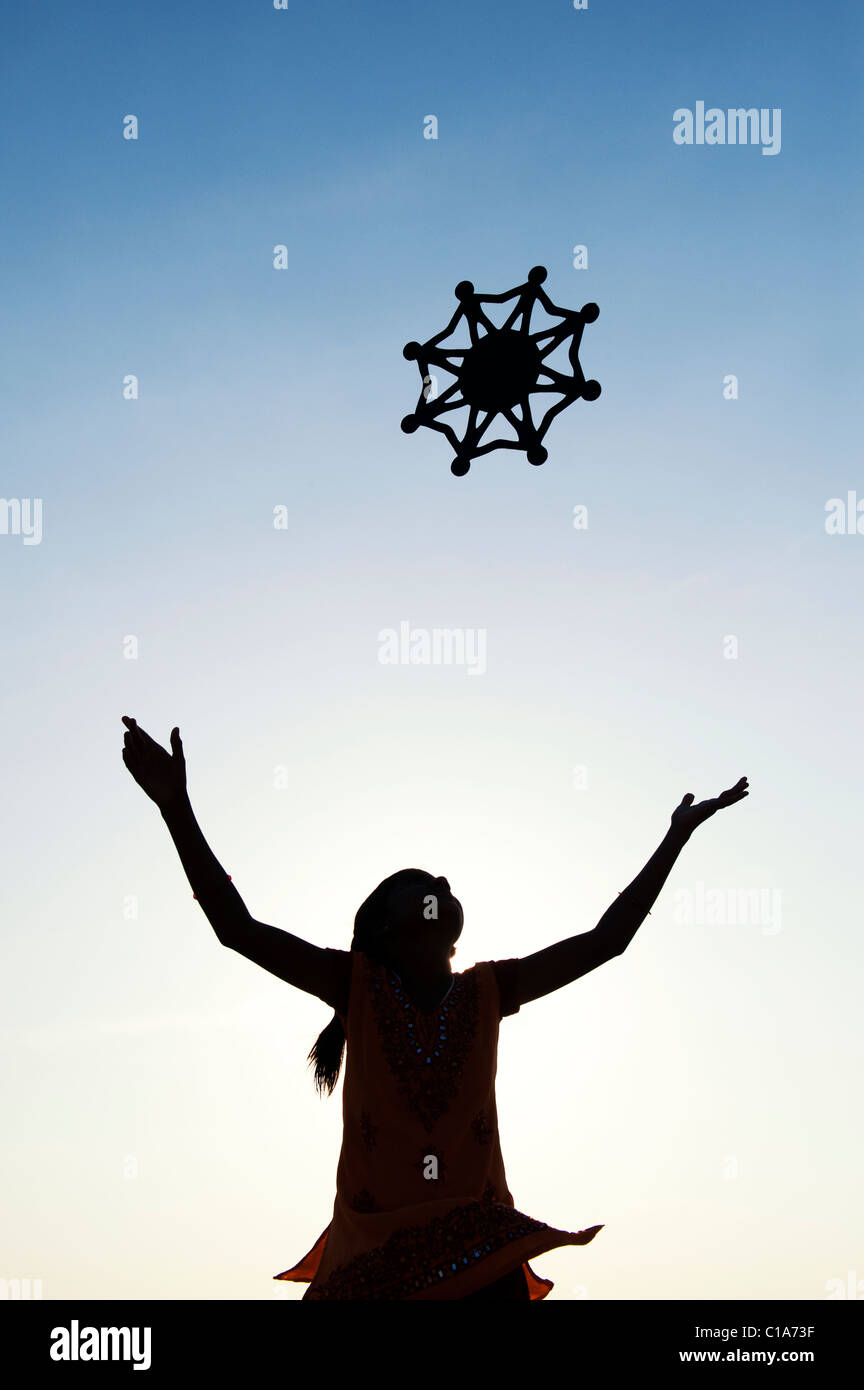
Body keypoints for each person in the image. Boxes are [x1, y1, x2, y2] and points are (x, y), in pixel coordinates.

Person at [121, 714, 749, 1299]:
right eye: (420, 886)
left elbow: (606, 941)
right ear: (386, 929)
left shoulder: (489, 991)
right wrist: (176, 809)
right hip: (372, 1263)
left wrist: (675, 839)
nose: (441, 886)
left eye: (443, 883)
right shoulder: (357, 985)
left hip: (479, 1259)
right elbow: (238, 928)